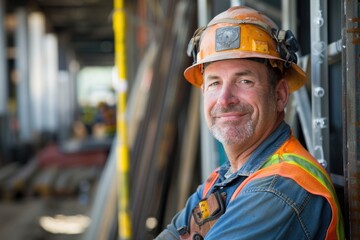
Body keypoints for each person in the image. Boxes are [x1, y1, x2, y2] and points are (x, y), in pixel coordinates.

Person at [155, 6, 344, 240]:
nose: (225, 99)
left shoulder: (279, 189)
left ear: (279, 96)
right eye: (214, 83)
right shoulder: (224, 178)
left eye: (244, 80)